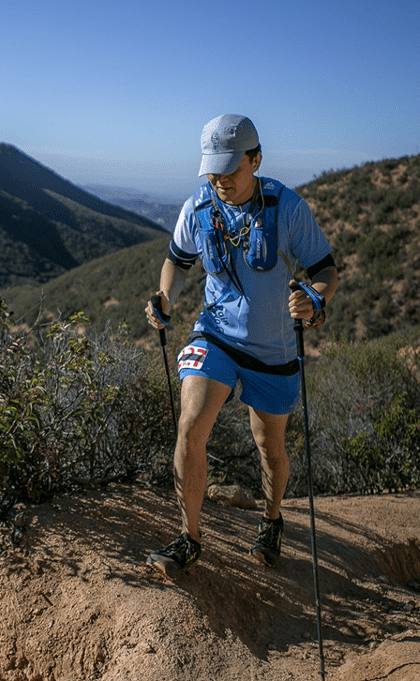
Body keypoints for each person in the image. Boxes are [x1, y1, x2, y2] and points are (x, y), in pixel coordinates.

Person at [144, 114, 338, 577]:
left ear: (256, 160)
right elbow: (177, 259)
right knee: (191, 423)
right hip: (216, 334)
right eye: (213, 168)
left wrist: (314, 300)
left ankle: (271, 520)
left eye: (230, 168)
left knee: (270, 447)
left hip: (273, 351)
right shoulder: (199, 206)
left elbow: (326, 271)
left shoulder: (287, 209)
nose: (220, 179)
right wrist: (165, 297)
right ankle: (189, 537)